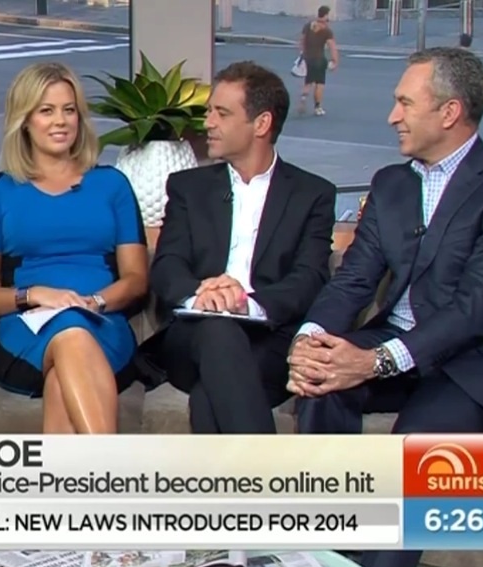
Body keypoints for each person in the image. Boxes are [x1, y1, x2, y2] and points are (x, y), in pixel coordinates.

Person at [288, 47, 483, 567]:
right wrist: (309, 340)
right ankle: (321, 558)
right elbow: (354, 279)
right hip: (399, 342)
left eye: (405, 103)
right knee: (321, 385)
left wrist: (375, 361)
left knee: (420, 447)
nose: (393, 116)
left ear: (450, 112)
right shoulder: (392, 183)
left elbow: (477, 307)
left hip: (479, 362)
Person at [142, 61, 337, 434]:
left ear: (261, 124)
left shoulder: (312, 194)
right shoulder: (188, 187)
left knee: (209, 396)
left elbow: (310, 277)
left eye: (222, 113)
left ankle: (240, 474)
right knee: (218, 331)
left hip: (268, 340)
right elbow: (167, 266)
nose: (208, 123)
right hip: (192, 335)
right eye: (209, 111)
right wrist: (203, 295)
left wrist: (245, 303)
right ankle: (266, 470)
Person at [0, 62, 149, 434]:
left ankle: (77, 474)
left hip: (102, 323)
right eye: (46, 111)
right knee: (70, 331)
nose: (60, 121)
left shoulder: (112, 186)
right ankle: (113, 465)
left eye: (69, 110)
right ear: (24, 121)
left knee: (63, 371)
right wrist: (35, 295)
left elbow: (136, 279)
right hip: (24, 331)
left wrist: (94, 302)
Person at [297, 5, 340, 116]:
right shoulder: (326, 30)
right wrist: (335, 60)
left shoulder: (308, 26)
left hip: (308, 58)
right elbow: (332, 46)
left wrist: (302, 53)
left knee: (308, 81)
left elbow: (302, 41)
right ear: (325, 15)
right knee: (319, 84)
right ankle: (318, 107)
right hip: (320, 59)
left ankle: (303, 98)